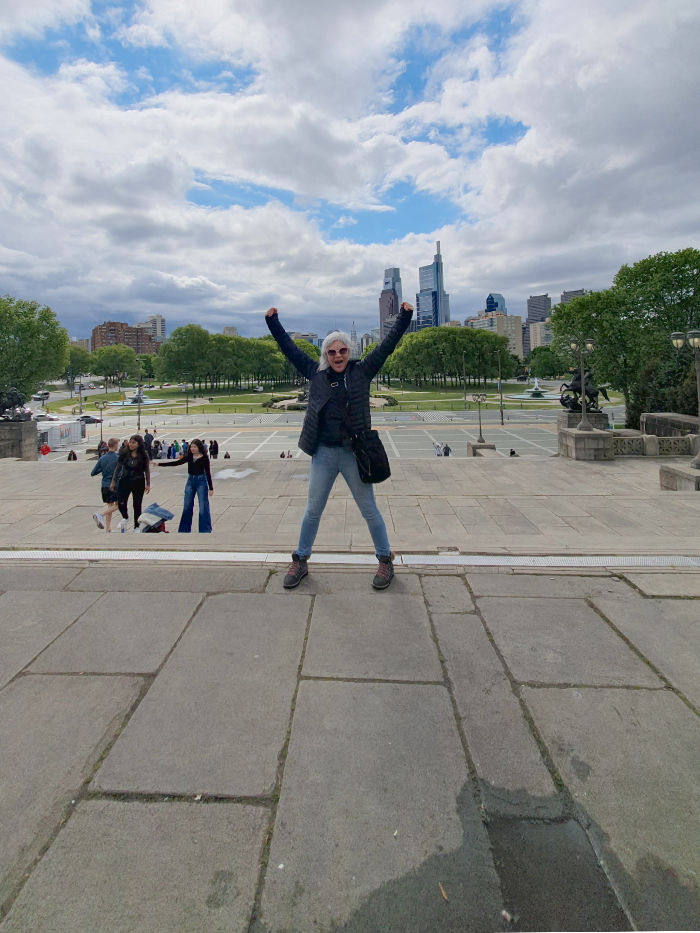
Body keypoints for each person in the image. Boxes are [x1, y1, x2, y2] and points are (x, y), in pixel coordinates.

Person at [265, 301, 413, 590]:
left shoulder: (363, 371)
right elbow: (288, 348)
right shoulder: (315, 373)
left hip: (353, 454)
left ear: (349, 352)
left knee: (369, 509)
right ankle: (301, 560)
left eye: (342, 350)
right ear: (325, 354)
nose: (337, 355)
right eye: (331, 351)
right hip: (323, 453)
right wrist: (273, 322)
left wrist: (405, 315)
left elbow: (388, 344)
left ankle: (385, 561)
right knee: (312, 510)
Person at [155, 438, 213, 532]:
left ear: (199, 447)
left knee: (203, 507)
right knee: (187, 506)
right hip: (190, 481)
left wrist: (211, 487)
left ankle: (205, 530)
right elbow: (177, 463)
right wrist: (159, 464)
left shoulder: (205, 458)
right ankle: (184, 530)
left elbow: (208, 473)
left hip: (201, 482)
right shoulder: (189, 456)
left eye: (194, 447)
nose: (192, 449)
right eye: (191, 447)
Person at [110, 434, 151, 531]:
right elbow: (118, 467)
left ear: (138, 444)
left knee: (137, 504)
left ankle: (136, 526)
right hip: (125, 480)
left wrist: (148, 484)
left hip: (138, 481)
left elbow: (147, 470)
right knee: (121, 502)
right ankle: (125, 517)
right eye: (130, 442)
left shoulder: (143, 454)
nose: (131, 444)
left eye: (133, 443)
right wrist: (113, 481)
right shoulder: (124, 453)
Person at [90, 437, 120, 531]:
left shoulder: (102, 458)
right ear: (115, 445)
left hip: (104, 485)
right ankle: (100, 515)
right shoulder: (118, 458)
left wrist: (103, 469)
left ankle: (108, 528)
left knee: (110, 506)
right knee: (118, 506)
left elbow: (93, 472)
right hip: (115, 485)